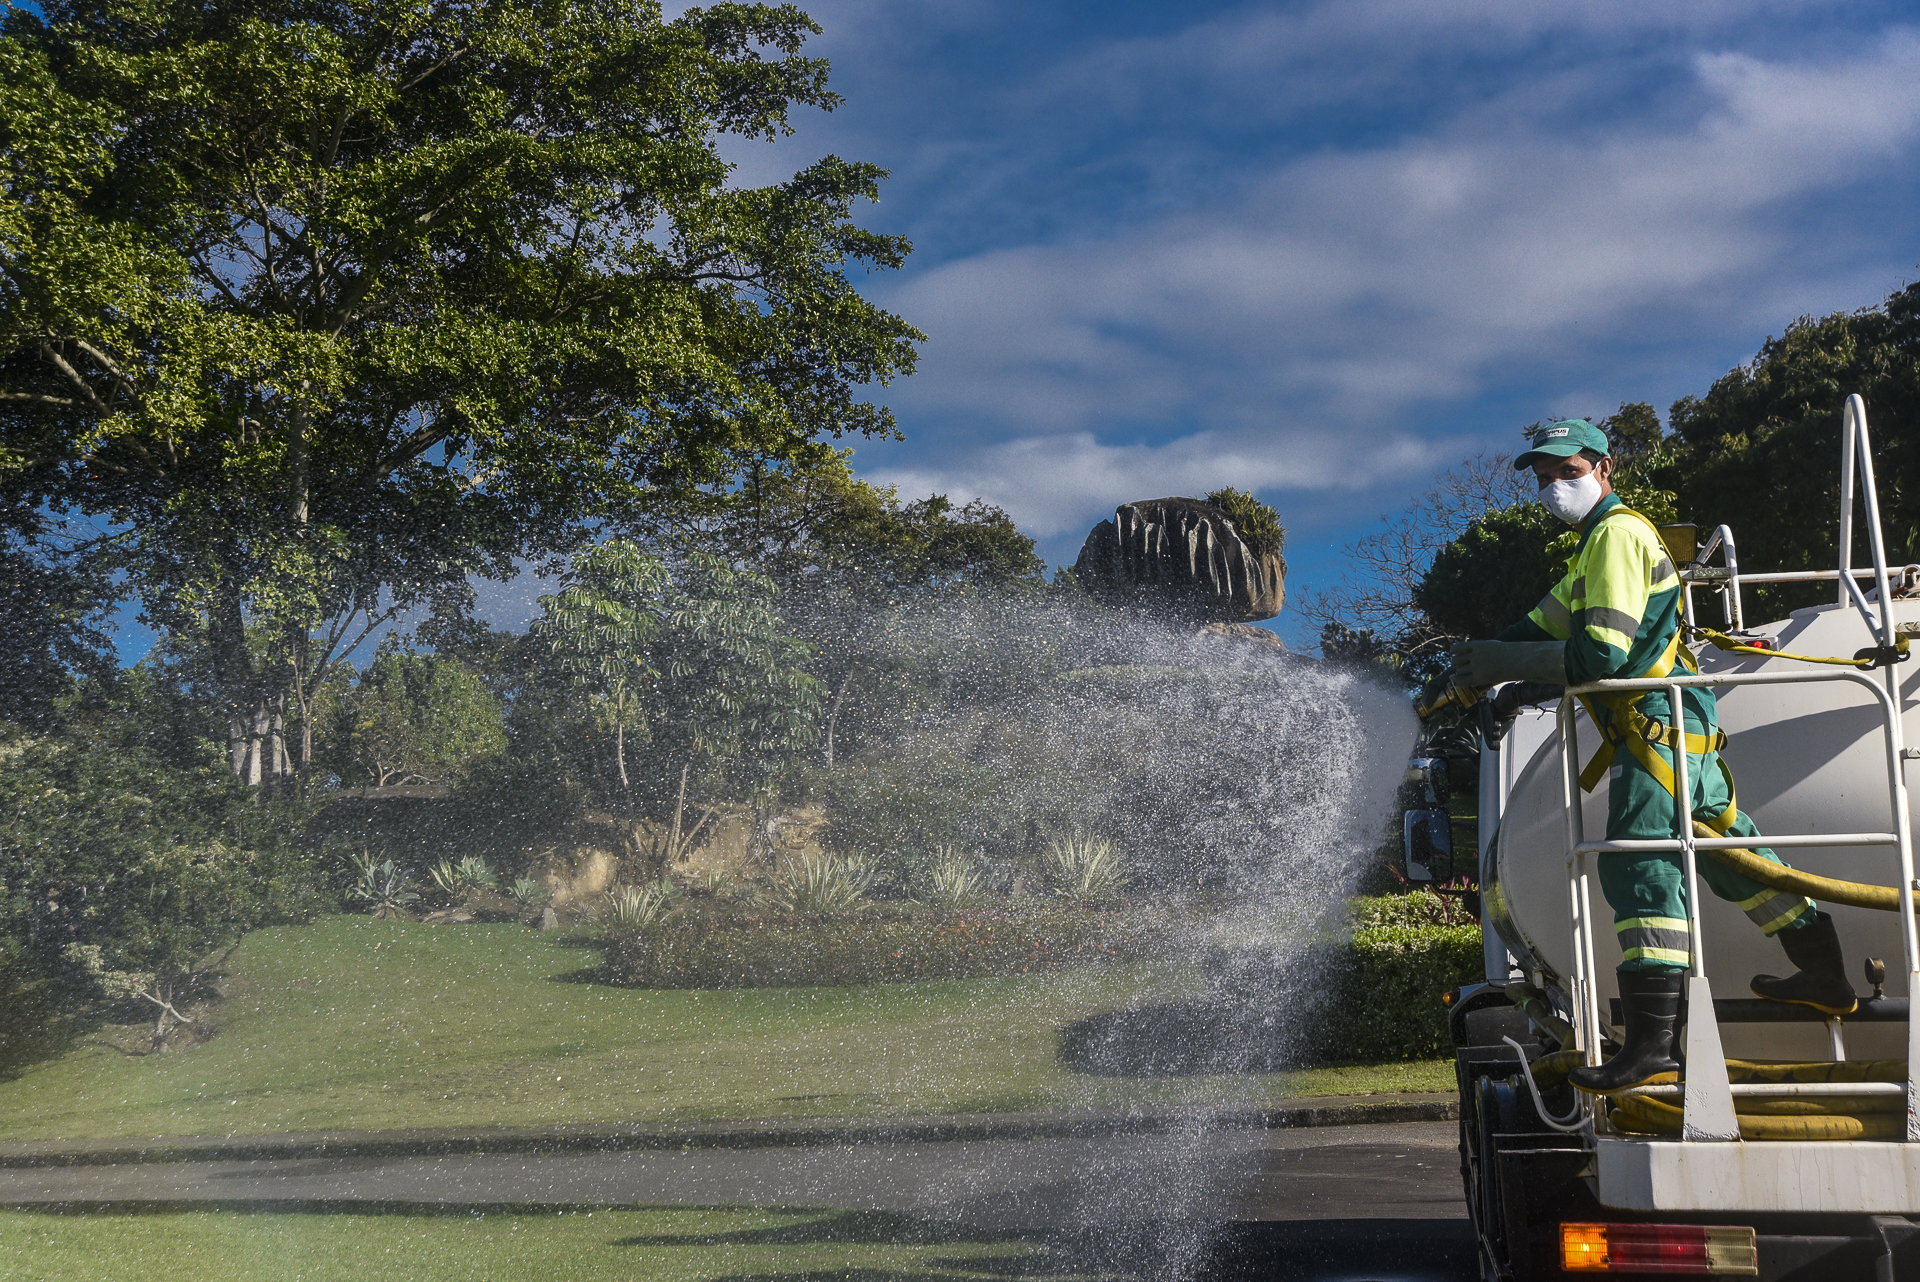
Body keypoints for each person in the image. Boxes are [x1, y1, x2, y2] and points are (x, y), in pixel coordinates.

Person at [1450, 419, 1857, 1094]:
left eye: (1567, 471)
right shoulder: (1589, 553)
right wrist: (1474, 670)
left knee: (1641, 867)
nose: (1554, 487)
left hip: (1656, 727)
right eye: (1544, 477)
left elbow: (1599, 657)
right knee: (1734, 857)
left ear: (1604, 468)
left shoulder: (1616, 535)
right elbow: (1538, 630)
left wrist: (1496, 664)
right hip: (1675, 726)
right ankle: (1828, 973)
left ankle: (1653, 1045)